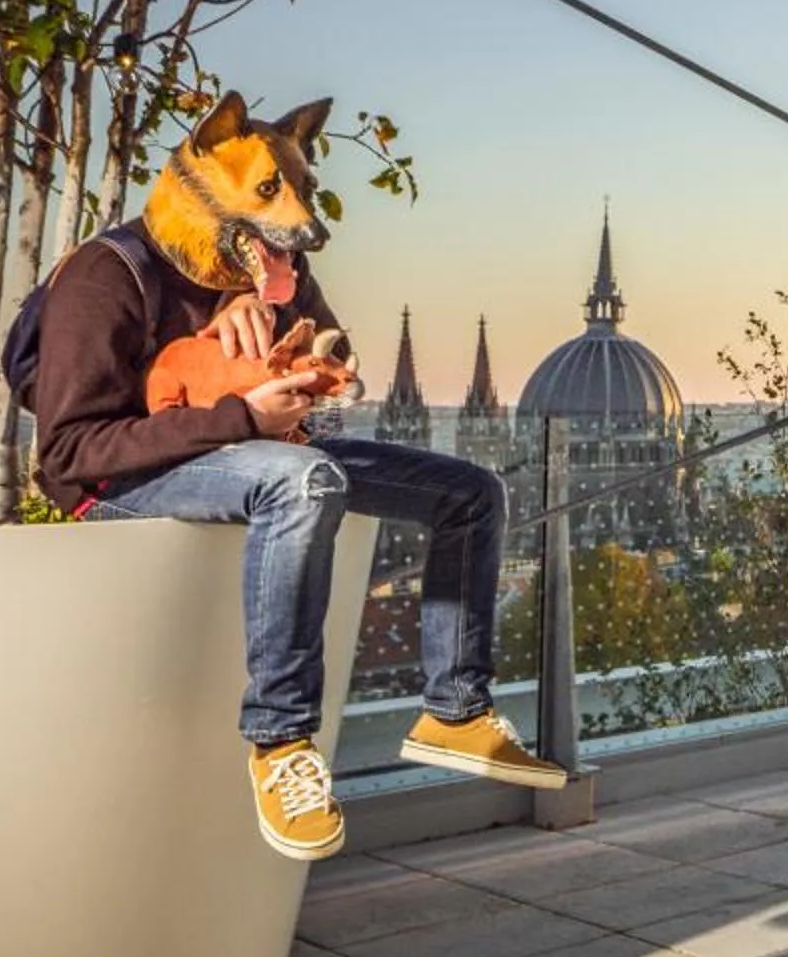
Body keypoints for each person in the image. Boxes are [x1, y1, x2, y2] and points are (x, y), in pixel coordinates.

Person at [28, 92, 563, 863]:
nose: (306, 228)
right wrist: (242, 416)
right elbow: (69, 453)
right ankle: (279, 742)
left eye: (302, 195)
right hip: (125, 477)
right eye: (274, 200)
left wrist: (294, 345)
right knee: (306, 482)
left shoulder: (273, 269)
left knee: (473, 493)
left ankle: (453, 710)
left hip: (264, 447)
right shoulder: (103, 277)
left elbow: (334, 350)